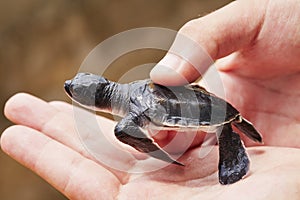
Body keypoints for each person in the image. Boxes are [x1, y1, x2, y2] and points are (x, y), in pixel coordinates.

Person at [1, 0, 300, 199]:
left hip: (209, 111)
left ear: (97, 100)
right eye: (74, 88)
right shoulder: (135, 90)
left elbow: (132, 130)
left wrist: (163, 157)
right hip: (207, 105)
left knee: (126, 131)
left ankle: (230, 140)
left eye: (75, 91)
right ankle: (230, 131)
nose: (71, 86)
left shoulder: (132, 111)